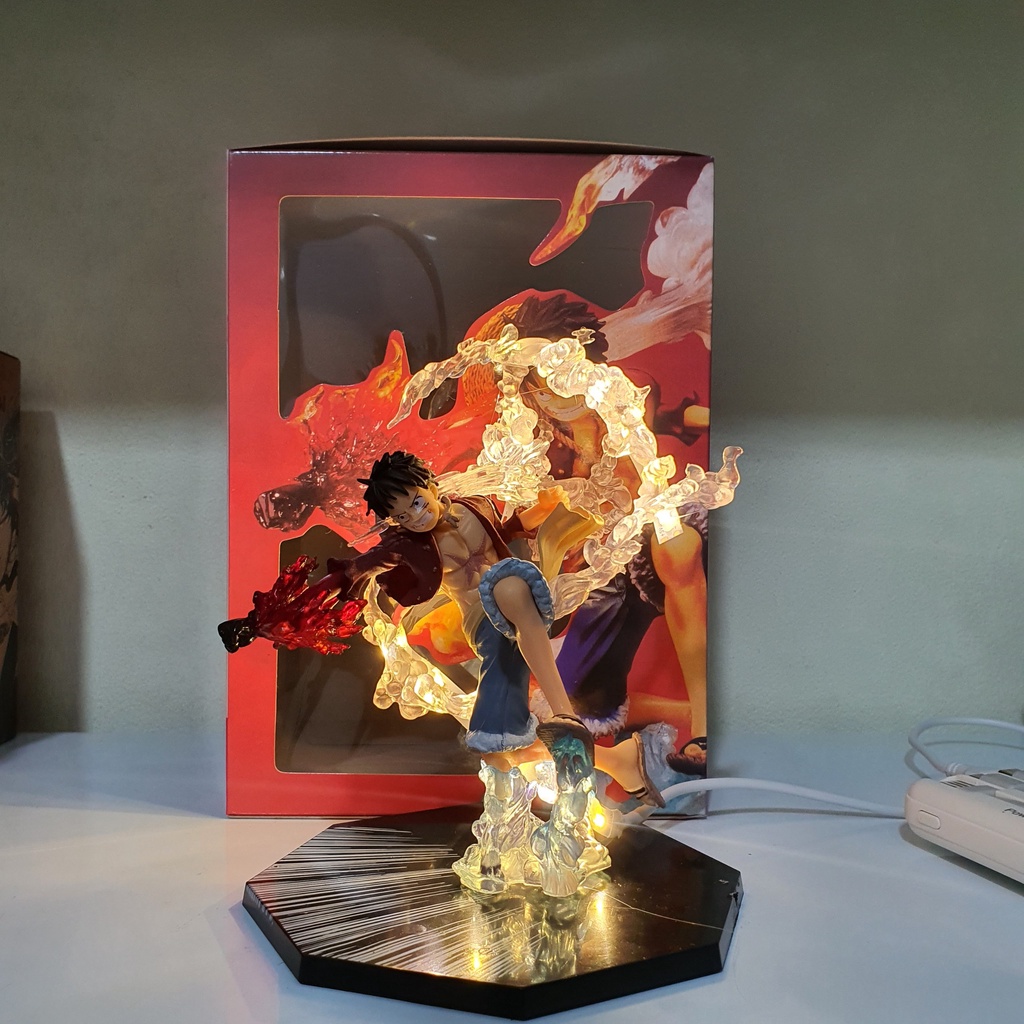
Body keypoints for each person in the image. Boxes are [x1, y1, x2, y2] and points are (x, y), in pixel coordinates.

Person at [218, 450, 663, 805]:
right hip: (484, 625)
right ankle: (618, 761)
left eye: (417, 502)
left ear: (431, 485)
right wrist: (263, 620)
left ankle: (565, 713)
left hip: (523, 592)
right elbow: (344, 574)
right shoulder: (403, 547)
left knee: (507, 585)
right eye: (403, 516)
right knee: (498, 750)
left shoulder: (473, 505)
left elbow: (506, 530)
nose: (416, 517)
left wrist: (540, 512)